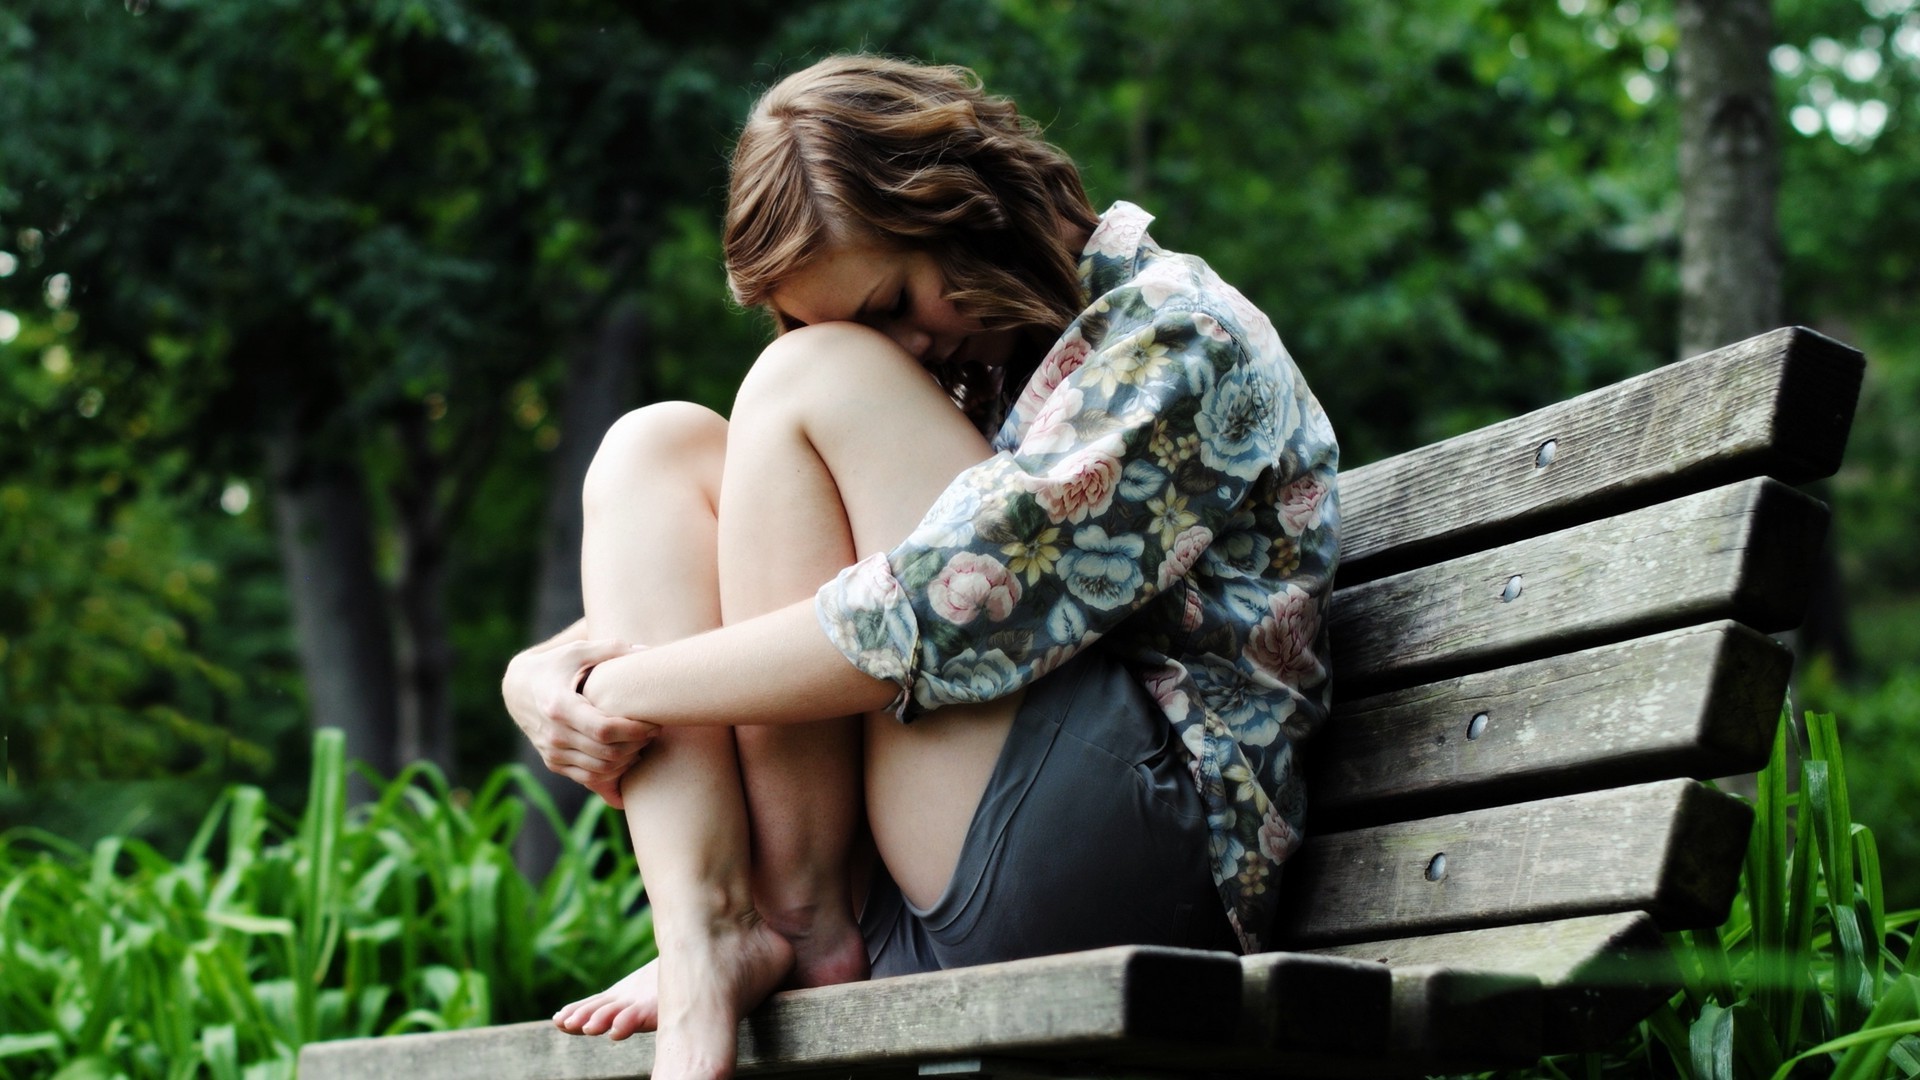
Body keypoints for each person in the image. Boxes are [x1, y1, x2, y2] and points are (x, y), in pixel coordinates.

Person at [501, 54, 1339, 1080]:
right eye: (861, 325)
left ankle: (794, 917)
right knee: (654, 448)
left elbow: (937, 620)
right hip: (938, 861)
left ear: (967, 204)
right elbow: (797, 599)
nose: (908, 347)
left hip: (1143, 859)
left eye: (896, 299)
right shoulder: (976, 371)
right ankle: (714, 932)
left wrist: (609, 691)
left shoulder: (1178, 336)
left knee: (804, 383)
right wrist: (536, 676)